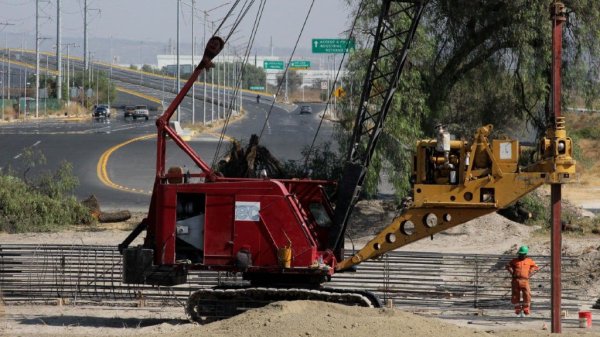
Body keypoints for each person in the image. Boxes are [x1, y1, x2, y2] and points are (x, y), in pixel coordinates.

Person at [505, 245, 539, 316]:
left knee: (527, 295)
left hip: (525, 281)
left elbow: (535, 266)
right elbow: (508, 266)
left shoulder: (529, 261)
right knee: (515, 295)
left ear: (525, 254)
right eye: (520, 254)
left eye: (522, 254)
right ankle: (517, 309)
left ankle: (526, 309)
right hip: (516, 280)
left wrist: (529, 273)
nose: (521, 255)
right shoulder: (514, 261)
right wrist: (512, 273)